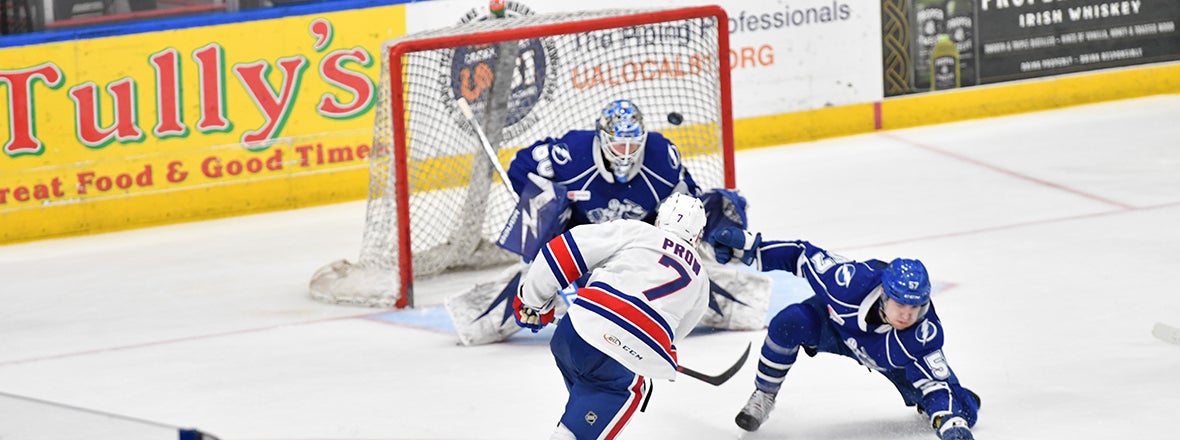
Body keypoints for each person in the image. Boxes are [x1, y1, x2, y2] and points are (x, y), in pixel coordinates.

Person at [445, 99, 767, 345]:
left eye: (632, 144)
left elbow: (686, 201)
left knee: (707, 232)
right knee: (541, 271)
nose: (625, 153)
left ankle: (739, 302)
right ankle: (486, 311)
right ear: (602, 138)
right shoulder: (571, 153)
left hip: (640, 245)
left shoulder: (662, 157)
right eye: (618, 144)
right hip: (583, 244)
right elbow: (520, 168)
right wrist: (543, 210)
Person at [711, 227, 981, 440]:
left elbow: (937, 385)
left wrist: (950, 421)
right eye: (900, 304)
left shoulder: (923, 333)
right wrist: (750, 249)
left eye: (915, 306)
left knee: (964, 409)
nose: (907, 314)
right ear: (884, 294)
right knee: (789, 321)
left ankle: (957, 402)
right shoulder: (849, 283)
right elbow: (800, 254)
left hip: (892, 359)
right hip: (835, 329)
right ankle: (764, 395)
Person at [513, 193, 712, 440]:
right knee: (577, 431)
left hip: (574, 336)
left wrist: (533, 302)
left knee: (582, 412)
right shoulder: (701, 278)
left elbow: (561, 252)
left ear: (659, 220)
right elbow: (673, 334)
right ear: (698, 235)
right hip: (618, 362)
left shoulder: (637, 231)